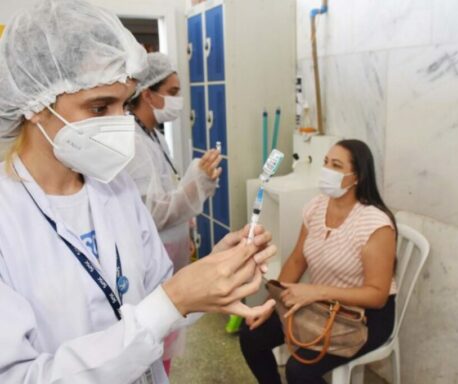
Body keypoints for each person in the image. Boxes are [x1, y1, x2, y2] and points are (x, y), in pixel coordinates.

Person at [0, 1, 276, 383]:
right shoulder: (7, 218)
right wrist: (172, 300)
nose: (121, 124)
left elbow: (157, 297)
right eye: (99, 108)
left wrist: (210, 274)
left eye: (123, 104)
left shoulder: (114, 188)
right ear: (35, 104)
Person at [239, 139, 397, 384]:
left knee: (299, 371)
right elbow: (296, 261)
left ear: (357, 176)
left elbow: (376, 296)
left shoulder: (375, 225)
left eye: (336, 165)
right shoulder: (316, 207)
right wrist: (269, 304)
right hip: (320, 306)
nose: (327, 170)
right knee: (251, 334)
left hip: (364, 317)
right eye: (325, 162)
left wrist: (314, 292)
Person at [126, 52, 221, 373]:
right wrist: (198, 183)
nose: (178, 100)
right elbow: (152, 213)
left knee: (166, 337)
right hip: (154, 253)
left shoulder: (153, 135)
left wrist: (189, 229)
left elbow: (168, 193)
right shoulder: (135, 143)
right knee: (156, 339)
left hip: (171, 246)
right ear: (148, 94)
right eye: (173, 92)